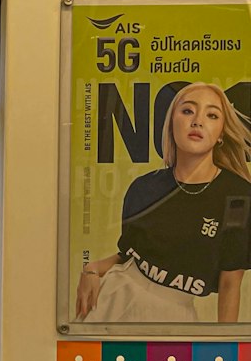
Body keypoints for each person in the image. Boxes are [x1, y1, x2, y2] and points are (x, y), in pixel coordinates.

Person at [77, 83, 251, 324]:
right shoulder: (143, 187)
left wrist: (223, 344)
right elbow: (127, 256)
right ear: (171, 122)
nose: (197, 121)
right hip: (112, 298)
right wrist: (91, 269)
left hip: (174, 314)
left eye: (211, 115)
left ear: (221, 132)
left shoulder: (237, 195)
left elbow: (231, 281)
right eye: (188, 111)